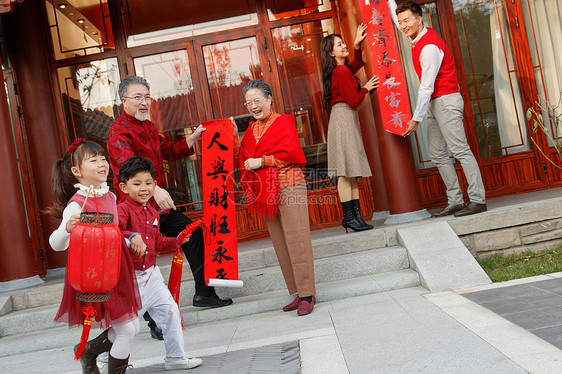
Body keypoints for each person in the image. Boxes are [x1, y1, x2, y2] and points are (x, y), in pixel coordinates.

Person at [107, 76, 232, 340]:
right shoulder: (118, 133)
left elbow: (170, 150)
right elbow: (131, 171)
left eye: (147, 97)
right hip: (136, 209)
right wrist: (156, 189)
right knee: (144, 263)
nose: (144, 102)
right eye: (137, 97)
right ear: (123, 101)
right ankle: (156, 323)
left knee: (193, 234)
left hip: (159, 207)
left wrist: (195, 137)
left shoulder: (149, 127)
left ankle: (204, 293)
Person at [47, 139, 141, 374]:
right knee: (128, 329)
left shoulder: (109, 196)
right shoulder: (77, 203)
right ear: (77, 171)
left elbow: (114, 232)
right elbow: (55, 244)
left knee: (128, 328)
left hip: (117, 269)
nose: (102, 164)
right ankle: (91, 354)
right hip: (95, 274)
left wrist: (129, 241)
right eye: (94, 160)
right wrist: (66, 228)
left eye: (103, 158)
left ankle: (88, 351)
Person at [388, 0, 487, 217]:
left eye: (407, 21)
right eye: (401, 21)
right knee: (437, 153)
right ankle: (455, 201)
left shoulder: (429, 46)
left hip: (445, 99)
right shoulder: (417, 36)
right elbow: (396, 18)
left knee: (460, 149)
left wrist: (416, 118)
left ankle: (478, 199)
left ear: (419, 18)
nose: (403, 26)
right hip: (435, 102)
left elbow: (426, 86)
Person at [233, 79, 316, 316]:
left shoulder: (284, 121)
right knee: (280, 242)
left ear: (270, 99)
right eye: (248, 103)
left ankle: (308, 294)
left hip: (290, 184)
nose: (253, 106)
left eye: (257, 100)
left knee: (297, 239)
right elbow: (243, 156)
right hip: (266, 191)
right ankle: (298, 292)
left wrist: (262, 161)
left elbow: (291, 153)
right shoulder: (250, 129)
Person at [115, 156, 202, 370]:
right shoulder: (122, 210)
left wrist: (177, 240)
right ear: (124, 187)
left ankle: (175, 357)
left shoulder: (152, 212)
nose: (144, 189)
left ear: (154, 185)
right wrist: (130, 236)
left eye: (148, 183)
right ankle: (104, 359)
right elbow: (114, 232)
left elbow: (156, 242)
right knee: (127, 326)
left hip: (152, 276)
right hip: (131, 277)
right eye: (137, 184)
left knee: (171, 312)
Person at [321, 24, 380, 233]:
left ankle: (356, 217)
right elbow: (354, 100)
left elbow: (356, 63)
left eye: (343, 42)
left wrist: (356, 45)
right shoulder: (339, 71)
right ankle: (350, 217)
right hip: (344, 118)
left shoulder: (341, 70)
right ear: (331, 52)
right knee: (346, 173)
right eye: (340, 44)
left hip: (344, 118)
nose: (343, 46)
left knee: (350, 171)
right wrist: (366, 88)